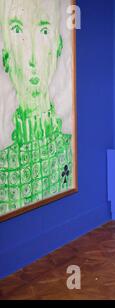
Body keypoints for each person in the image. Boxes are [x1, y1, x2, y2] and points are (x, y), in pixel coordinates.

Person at [0, 0, 73, 216]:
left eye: (43, 31)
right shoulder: (4, 168)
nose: (32, 58)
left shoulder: (66, 152)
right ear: (6, 55)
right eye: (17, 29)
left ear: (58, 46)